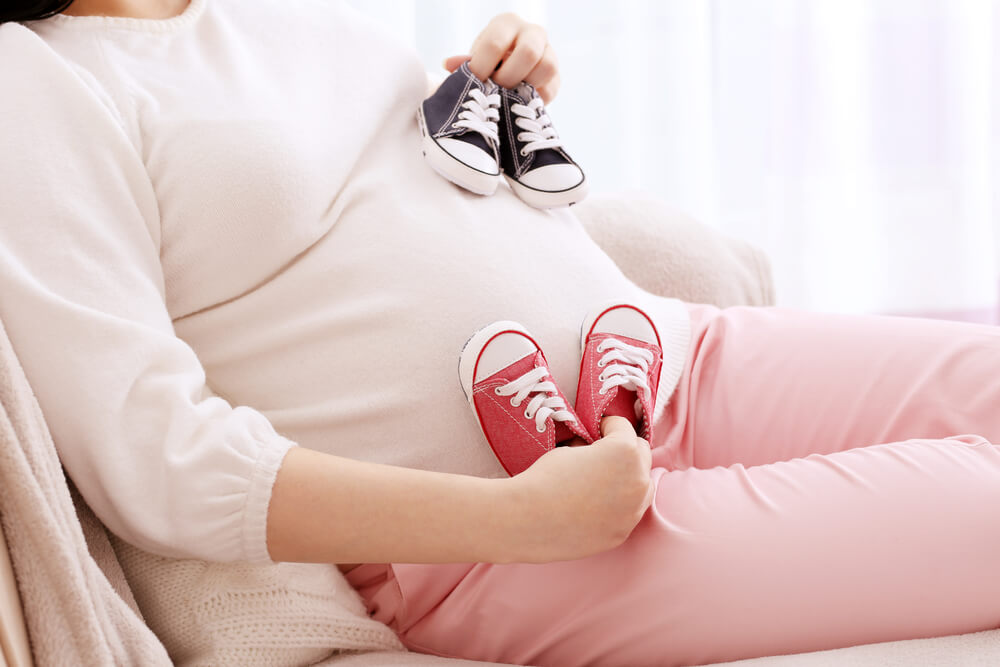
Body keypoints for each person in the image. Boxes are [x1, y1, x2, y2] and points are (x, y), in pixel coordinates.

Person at [1, 1, 999, 666]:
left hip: (666, 351)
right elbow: (152, 458)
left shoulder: (281, 13)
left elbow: (413, 226)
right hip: (497, 536)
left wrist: (505, 96)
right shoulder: (33, 77)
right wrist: (526, 526)